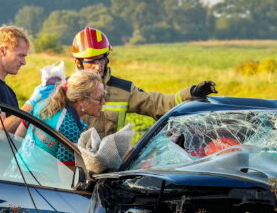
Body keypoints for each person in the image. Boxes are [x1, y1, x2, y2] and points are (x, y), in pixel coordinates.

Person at [69, 27, 216, 137]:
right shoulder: (64, 90)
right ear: (78, 62)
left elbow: (156, 104)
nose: (98, 65)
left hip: (109, 168)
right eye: (92, 61)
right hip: (71, 167)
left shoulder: (124, 90)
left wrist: (190, 93)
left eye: (102, 58)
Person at [20, 68, 107, 166]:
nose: (103, 102)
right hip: (38, 180)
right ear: (81, 100)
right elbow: (66, 176)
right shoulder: (70, 128)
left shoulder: (42, 105)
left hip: (13, 173)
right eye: (100, 98)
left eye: (104, 96)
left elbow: (18, 135)